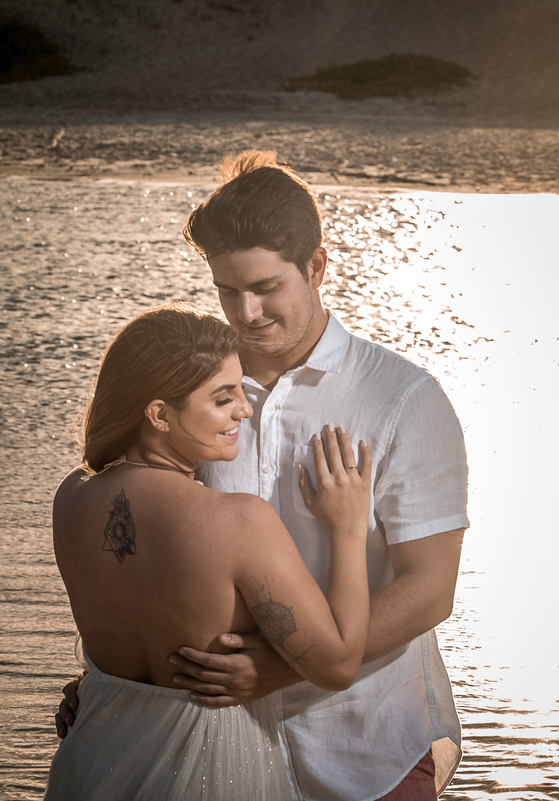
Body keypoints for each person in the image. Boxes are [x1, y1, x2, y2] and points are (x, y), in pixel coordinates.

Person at [60, 150, 471, 800]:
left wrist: (280, 668)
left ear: (317, 267)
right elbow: (143, 550)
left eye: (266, 287)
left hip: (361, 748)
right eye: (228, 290)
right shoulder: (194, 396)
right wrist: (113, 680)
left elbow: (430, 589)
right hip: (206, 751)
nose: (246, 311)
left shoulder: (403, 399)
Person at [45, 303, 374, 800]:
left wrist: (87, 685)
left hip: (93, 751)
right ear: (159, 415)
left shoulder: (70, 497)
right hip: (209, 764)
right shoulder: (237, 522)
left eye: (241, 390)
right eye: (224, 398)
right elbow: (339, 664)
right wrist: (348, 528)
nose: (245, 409)